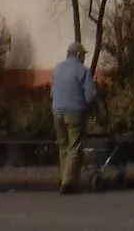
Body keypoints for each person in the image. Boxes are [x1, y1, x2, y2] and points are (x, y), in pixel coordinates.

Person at [51, 40, 100, 193]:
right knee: (75, 146)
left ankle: (63, 177)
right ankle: (68, 183)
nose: (84, 58)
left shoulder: (57, 68)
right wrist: (86, 105)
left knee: (63, 146)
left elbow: (52, 92)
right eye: (83, 55)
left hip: (57, 111)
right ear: (78, 55)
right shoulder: (83, 70)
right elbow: (91, 95)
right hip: (75, 111)